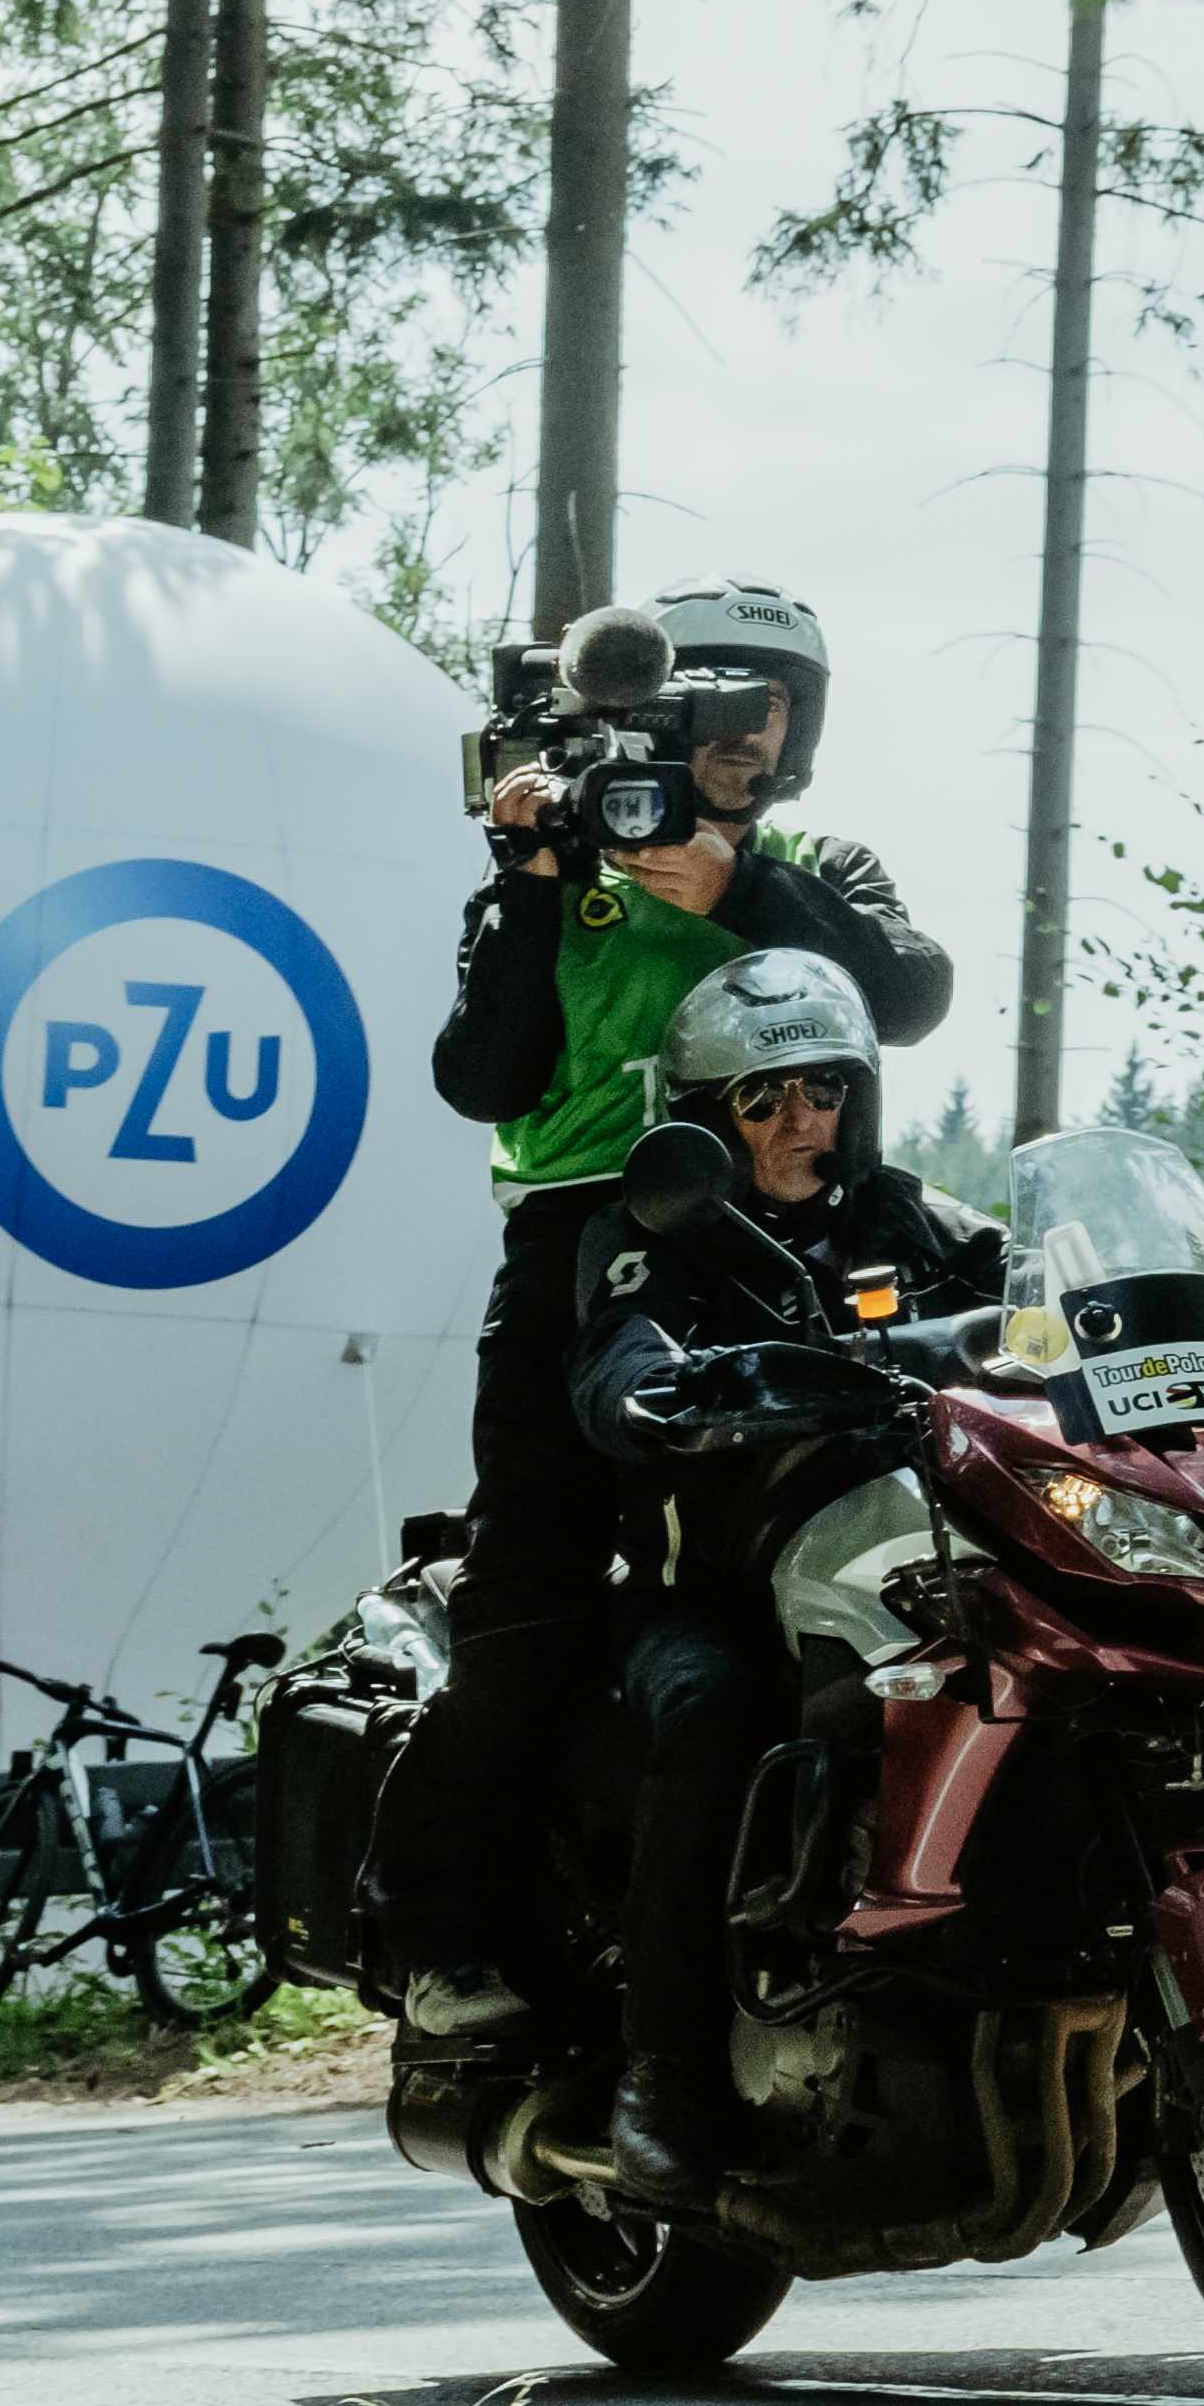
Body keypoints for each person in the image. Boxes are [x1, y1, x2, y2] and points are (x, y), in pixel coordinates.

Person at [369, 944, 1005, 2206]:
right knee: (714, 1711)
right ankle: (665, 2069)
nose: (796, 1120)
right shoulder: (655, 1227)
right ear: (704, 1119)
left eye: (819, 1089)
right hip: (707, 1591)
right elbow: (616, 1358)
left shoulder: (918, 1222)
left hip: (906, 1566)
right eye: (759, 1100)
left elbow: (1037, 1307)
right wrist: (659, 1394)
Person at [435, 581, 957, 1194]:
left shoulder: (822, 866)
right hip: (584, 1221)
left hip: (794, 1223)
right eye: (721, 702)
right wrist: (527, 895)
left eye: (774, 703)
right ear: (650, 715)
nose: (750, 725)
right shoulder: (555, 873)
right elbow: (485, 1087)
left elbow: (913, 1000)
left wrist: (739, 890)